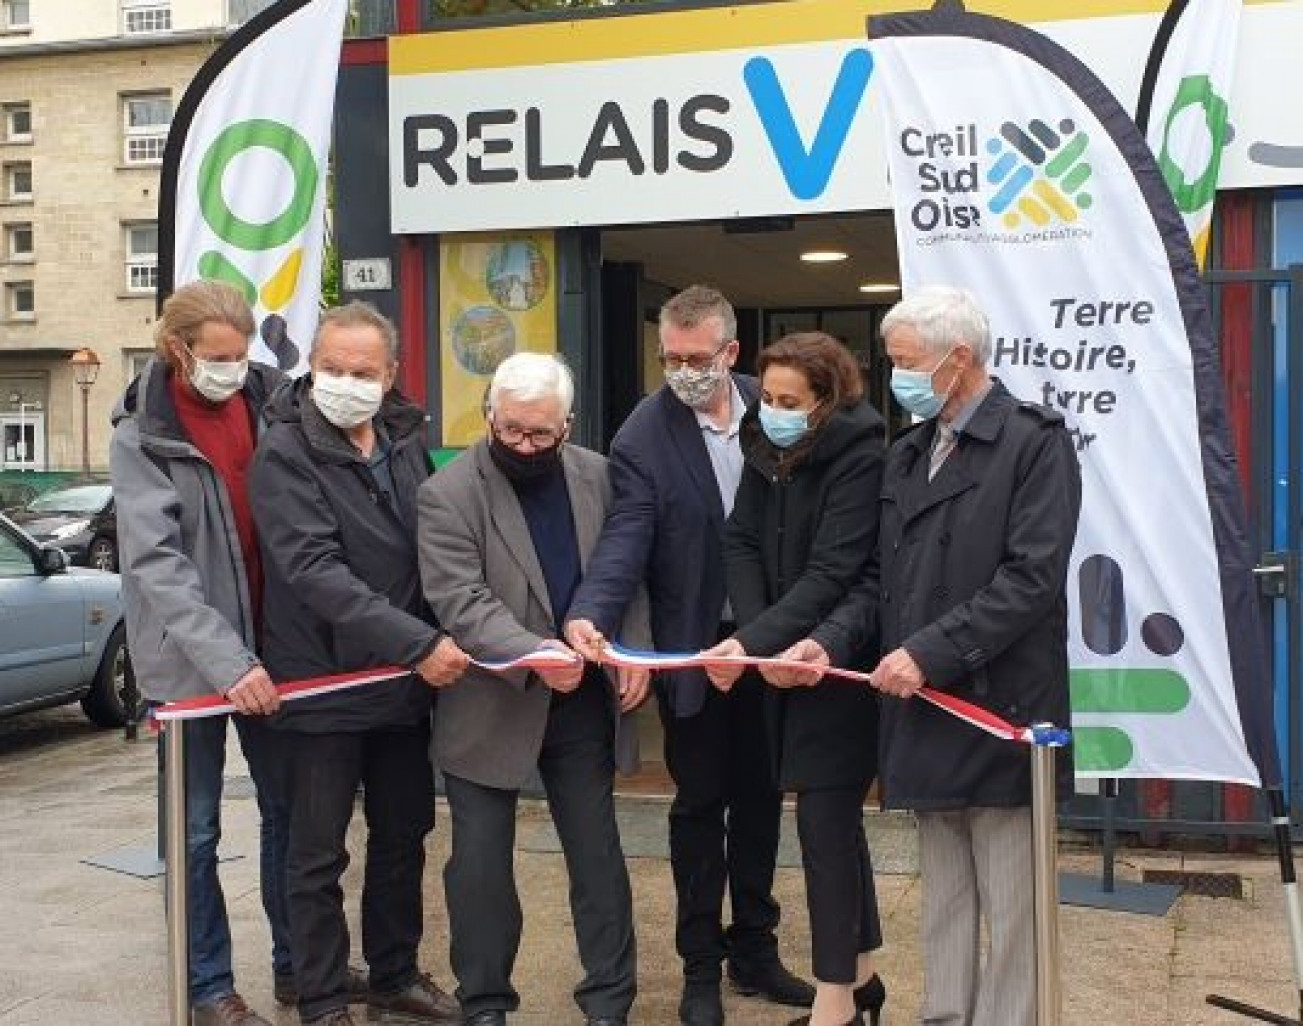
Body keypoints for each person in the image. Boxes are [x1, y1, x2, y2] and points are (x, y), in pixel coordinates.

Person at [797, 286, 1080, 1026]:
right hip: (919, 710)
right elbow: (875, 581)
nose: (897, 378)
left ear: (959, 360)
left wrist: (927, 653)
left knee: (1012, 907)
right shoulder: (907, 453)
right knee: (945, 895)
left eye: (907, 363)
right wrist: (824, 641)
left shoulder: (1034, 441)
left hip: (997, 706)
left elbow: (1030, 577)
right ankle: (944, 1016)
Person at [565, 285, 814, 1025]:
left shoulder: (775, 406)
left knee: (765, 802)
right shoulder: (643, 434)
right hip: (697, 657)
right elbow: (627, 537)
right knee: (701, 807)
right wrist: (591, 615)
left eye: (695, 358)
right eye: (669, 358)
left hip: (772, 646)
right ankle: (699, 966)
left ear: (730, 352)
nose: (680, 371)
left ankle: (756, 951)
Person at [249, 302, 466, 1026]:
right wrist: (421, 643)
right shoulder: (282, 450)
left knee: (403, 835)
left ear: (390, 375)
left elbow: (430, 544)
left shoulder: (405, 437)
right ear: (312, 364)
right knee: (316, 856)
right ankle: (318, 998)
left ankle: (395, 973)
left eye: (362, 372)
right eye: (331, 369)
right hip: (322, 684)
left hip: (402, 687)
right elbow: (313, 570)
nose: (345, 383)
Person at [416, 353, 650, 1026]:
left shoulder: (599, 477)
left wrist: (631, 648)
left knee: (597, 856)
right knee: (480, 868)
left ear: (566, 427)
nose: (522, 445)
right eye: (510, 429)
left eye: (538, 434)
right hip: (489, 703)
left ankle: (609, 1002)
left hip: (579, 706)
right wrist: (533, 652)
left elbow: (624, 571)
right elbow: (459, 600)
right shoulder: (448, 492)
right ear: (489, 416)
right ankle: (485, 1003)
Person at [110, 279, 288, 1026]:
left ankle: (299, 962)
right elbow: (157, 566)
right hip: (193, 666)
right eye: (218, 356)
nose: (232, 368)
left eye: (242, 355)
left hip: (277, 654)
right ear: (177, 349)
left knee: (293, 815)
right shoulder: (139, 434)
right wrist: (229, 663)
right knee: (196, 830)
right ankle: (209, 983)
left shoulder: (270, 404)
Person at [702, 333, 887, 1026]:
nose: (774, 410)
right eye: (769, 397)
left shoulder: (862, 455)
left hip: (833, 665)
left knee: (823, 827)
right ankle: (864, 978)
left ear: (826, 402)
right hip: (777, 659)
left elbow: (833, 572)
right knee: (832, 827)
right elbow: (740, 540)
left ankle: (835, 1001)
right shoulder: (764, 445)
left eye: (790, 402)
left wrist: (752, 642)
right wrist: (757, 642)